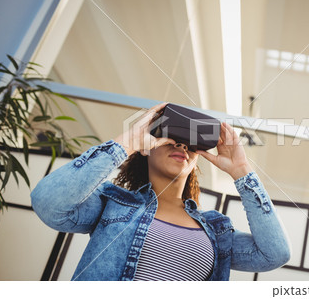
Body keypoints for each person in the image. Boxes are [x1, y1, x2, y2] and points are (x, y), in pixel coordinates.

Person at [31, 102, 290, 281]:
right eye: (169, 136)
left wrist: (242, 171)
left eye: (191, 143)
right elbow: (49, 203)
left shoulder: (216, 230)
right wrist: (128, 142)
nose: (180, 143)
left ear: (196, 160)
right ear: (146, 149)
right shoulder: (112, 203)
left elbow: (274, 254)